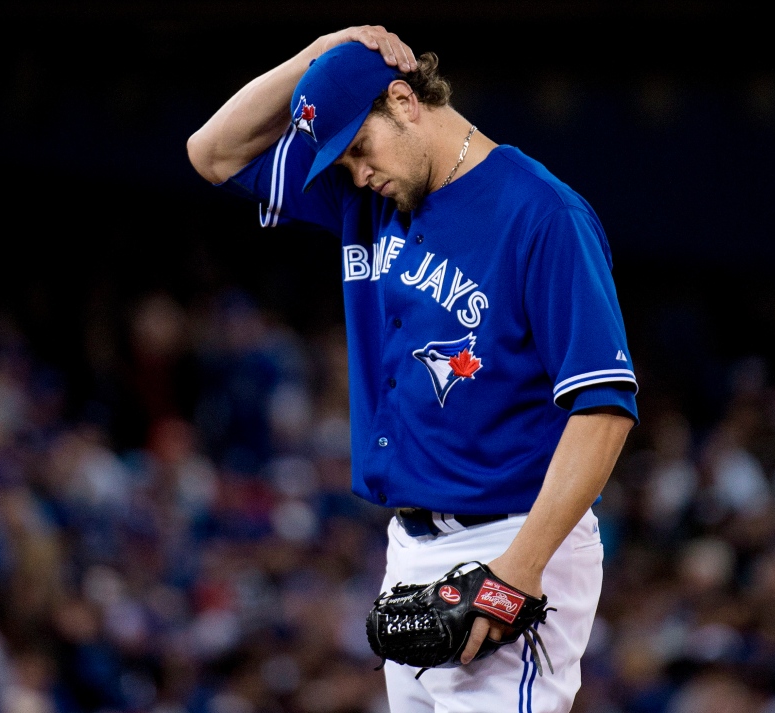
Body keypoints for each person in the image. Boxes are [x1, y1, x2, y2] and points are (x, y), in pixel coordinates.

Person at [187, 25, 639, 713]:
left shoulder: (543, 215)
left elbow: (603, 410)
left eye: (359, 149)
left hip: (512, 537)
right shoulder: (365, 197)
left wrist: (513, 573)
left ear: (403, 101)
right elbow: (211, 151)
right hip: (411, 548)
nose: (357, 172)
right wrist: (322, 56)